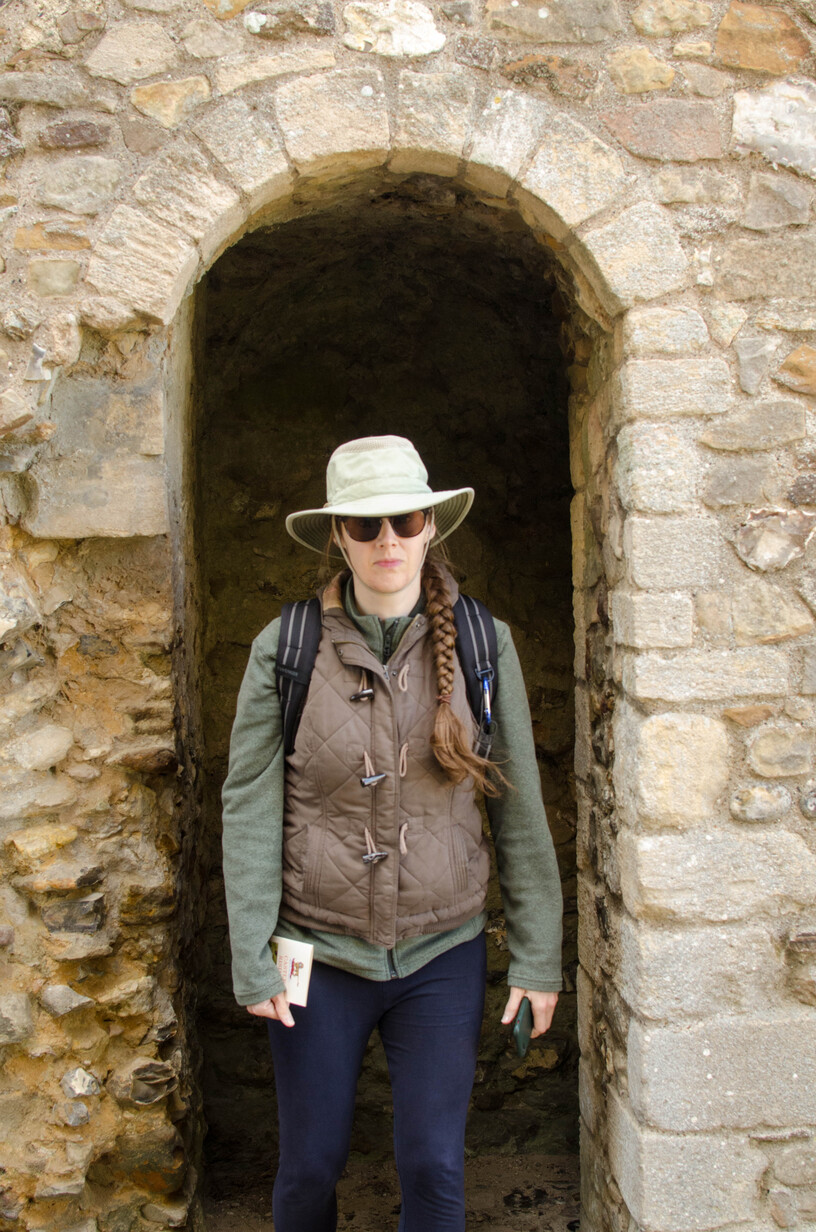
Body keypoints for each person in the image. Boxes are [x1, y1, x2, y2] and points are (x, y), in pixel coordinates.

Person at [221, 435, 563, 1232]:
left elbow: (517, 803)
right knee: (309, 1166)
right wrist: (250, 954)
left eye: (405, 521)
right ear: (337, 537)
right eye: (365, 525)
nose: (388, 541)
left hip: (443, 952)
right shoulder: (288, 649)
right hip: (320, 953)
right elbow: (249, 803)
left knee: (435, 1166)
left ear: (430, 527)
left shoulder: (483, 644)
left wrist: (538, 956)